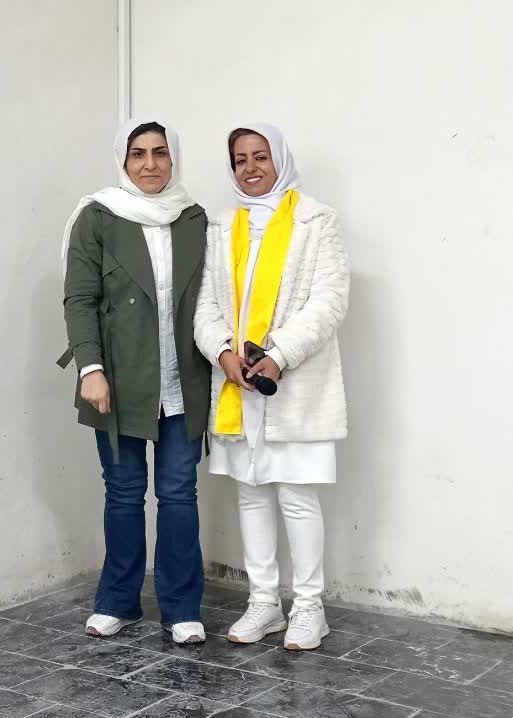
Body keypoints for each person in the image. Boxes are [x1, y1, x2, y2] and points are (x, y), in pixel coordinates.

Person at [194, 123, 350, 650]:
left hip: (294, 384)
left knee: (297, 497)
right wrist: (222, 352)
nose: (251, 168)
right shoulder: (222, 226)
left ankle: (309, 608)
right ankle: (264, 603)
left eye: (261, 156)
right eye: (240, 159)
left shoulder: (316, 220)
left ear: (280, 159)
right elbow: (205, 305)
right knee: (251, 495)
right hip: (237, 383)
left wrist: (278, 356)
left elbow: (329, 301)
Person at [59, 118, 212, 644]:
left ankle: (182, 608)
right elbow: (79, 298)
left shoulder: (194, 218)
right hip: (118, 381)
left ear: (174, 158)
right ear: (123, 161)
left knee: (179, 494)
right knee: (124, 493)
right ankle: (118, 602)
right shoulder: (99, 216)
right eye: (138, 154)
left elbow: (212, 297)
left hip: (184, 379)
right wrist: (91, 369)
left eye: (160, 152)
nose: (150, 164)